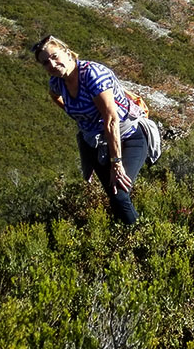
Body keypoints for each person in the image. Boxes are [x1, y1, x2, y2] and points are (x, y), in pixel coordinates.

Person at [32, 35, 147, 224]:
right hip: (96, 142)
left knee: (119, 193)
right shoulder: (57, 82)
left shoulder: (92, 75)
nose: (52, 64)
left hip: (128, 136)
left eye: (54, 56)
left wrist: (116, 163)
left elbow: (111, 119)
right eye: (45, 63)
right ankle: (125, 236)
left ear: (67, 53)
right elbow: (54, 96)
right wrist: (82, 119)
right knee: (113, 197)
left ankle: (143, 237)